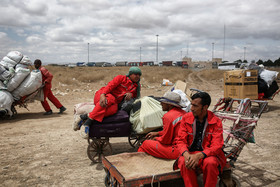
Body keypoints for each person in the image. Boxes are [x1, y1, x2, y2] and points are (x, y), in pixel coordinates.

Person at [174, 92, 226, 187]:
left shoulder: (216, 121)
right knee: (183, 161)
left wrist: (200, 155)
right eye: (191, 105)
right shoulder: (186, 118)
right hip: (190, 153)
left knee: (210, 163)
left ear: (205, 107)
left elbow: (217, 145)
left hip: (207, 154)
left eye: (195, 106)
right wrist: (186, 154)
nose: (191, 108)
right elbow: (180, 140)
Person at [77, 67, 142, 138]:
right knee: (109, 99)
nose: (137, 76)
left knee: (114, 110)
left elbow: (136, 98)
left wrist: (132, 95)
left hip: (114, 103)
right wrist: (102, 95)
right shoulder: (121, 78)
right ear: (130, 74)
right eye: (135, 74)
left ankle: (85, 116)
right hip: (103, 95)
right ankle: (87, 124)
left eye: (139, 75)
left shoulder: (136, 87)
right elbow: (109, 86)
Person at [138, 91, 187, 159]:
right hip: (185, 148)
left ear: (169, 105)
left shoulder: (168, 116)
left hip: (177, 150)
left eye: (163, 102)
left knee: (145, 143)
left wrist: (156, 138)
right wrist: (158, 133)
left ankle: (139, 163)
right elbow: (174, 131)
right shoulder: (184, 113)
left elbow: (166, 140)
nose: (161, 104)